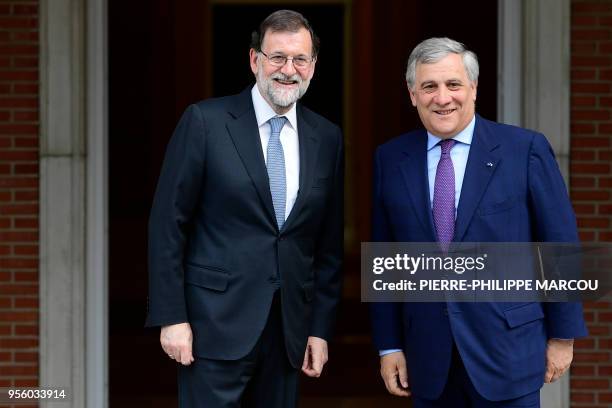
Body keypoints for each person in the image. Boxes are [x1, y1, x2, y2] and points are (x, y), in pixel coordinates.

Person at [370, 37, 587, 407]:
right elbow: (385, 259)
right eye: (429, 86)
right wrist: (389, 345)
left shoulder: (524, 150)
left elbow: (560, 247)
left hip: (508, 352)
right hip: (428, 359)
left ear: (473, 88)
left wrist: (562, 337)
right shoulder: (391, 159)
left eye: (453, 84)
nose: (442, 98)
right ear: (412, 94)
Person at [145, 10, 343, 407]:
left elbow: (327, 244)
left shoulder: (327, 137)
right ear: (255, 60)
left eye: (300, 59)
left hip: (288, 332)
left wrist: (319, 330)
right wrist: (172, 317)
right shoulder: (205, 122)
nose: (289, 70)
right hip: (211, 327)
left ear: (313, 66)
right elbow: (169, 224)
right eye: (278, 57)